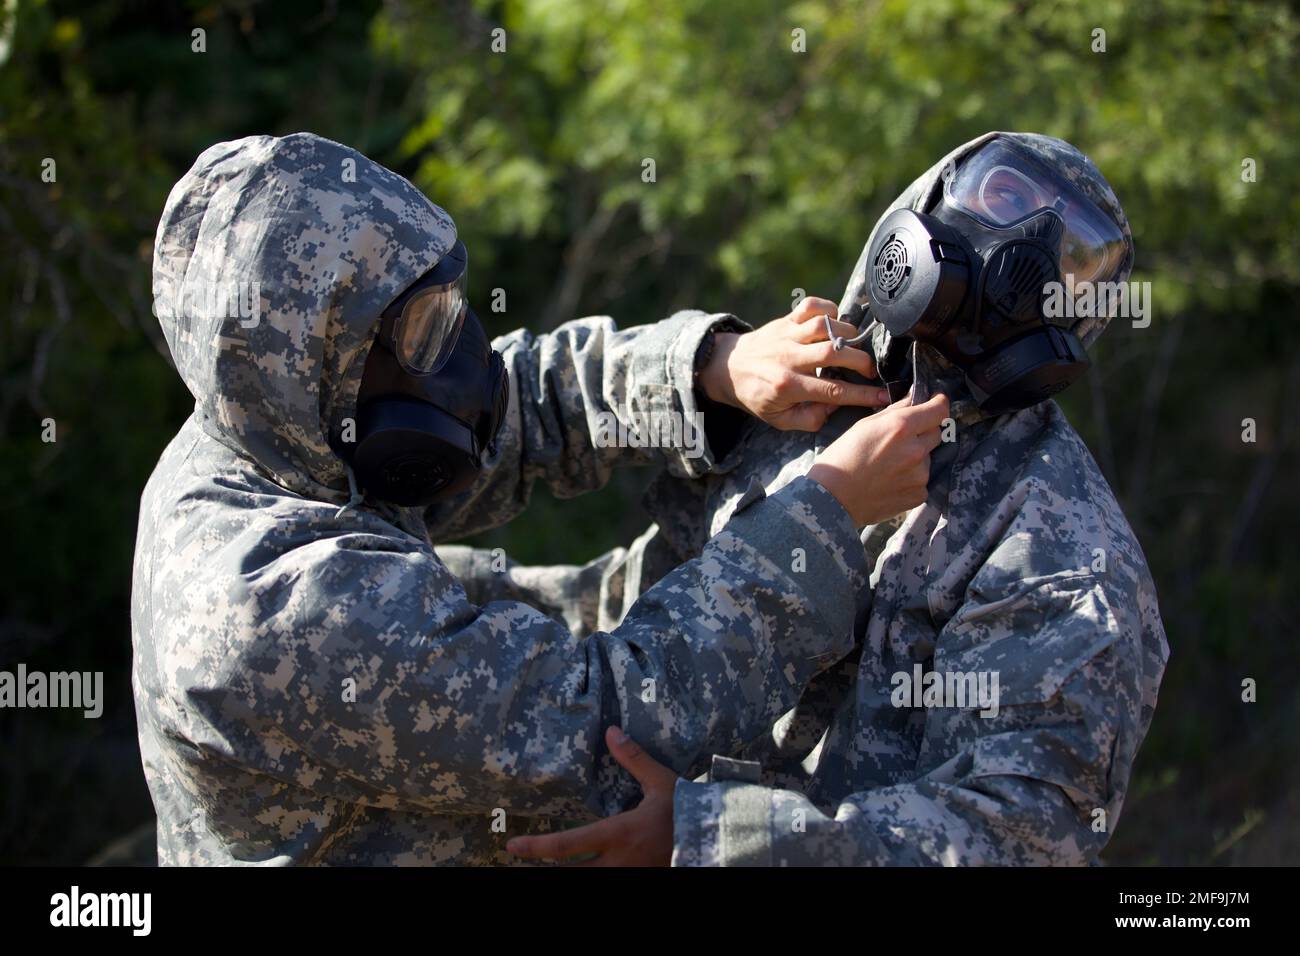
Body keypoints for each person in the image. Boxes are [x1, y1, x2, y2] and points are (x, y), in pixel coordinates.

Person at [131, 132, 949, 865]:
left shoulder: (287, 430)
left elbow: (516, 403)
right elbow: (607, 728)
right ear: (318, 367)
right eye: (419, 330)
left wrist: (713, 367)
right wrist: (828, 513)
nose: (457, 352)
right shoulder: (269, 610)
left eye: (447, 306)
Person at [460, 132, 1171, 866]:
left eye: (1072, 259)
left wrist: (707, 841)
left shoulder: (1065, 556)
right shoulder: (802, 376)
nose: (1026, 249)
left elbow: (1014, 838)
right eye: (1008, 197)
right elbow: (611, 575)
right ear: (928, 205)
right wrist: (711, 364)